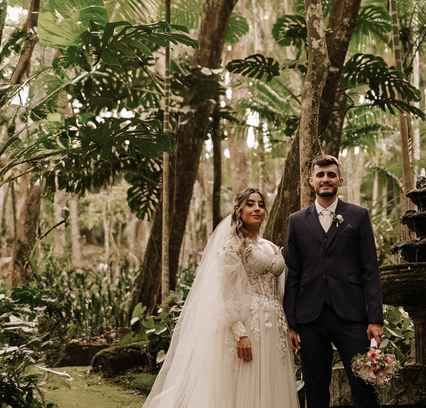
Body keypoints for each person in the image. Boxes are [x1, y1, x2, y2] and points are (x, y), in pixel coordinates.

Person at [142, 187, 298, 408]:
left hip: (275, 327)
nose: (257, 209)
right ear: (239, 210)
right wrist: (240, 333)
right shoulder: (232, 246)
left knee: (271, 383)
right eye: (250, 204)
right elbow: (226, 291)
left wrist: (289, 326)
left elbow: (280, 290)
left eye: (261, 205)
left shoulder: (271, 246)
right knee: (245, 382)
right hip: (248, 324)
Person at [284, 154, 385, 408]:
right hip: (310, 317)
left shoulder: (358, 215)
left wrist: (375, 318)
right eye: (320, 175)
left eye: (331, 174)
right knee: (316, 391)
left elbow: (370, 270)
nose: (325, 179)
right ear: (311, 181)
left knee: (364, 386)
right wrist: (291, 323)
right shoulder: (296, 221)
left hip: (352, 314)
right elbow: (293, 274)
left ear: (340, 180)